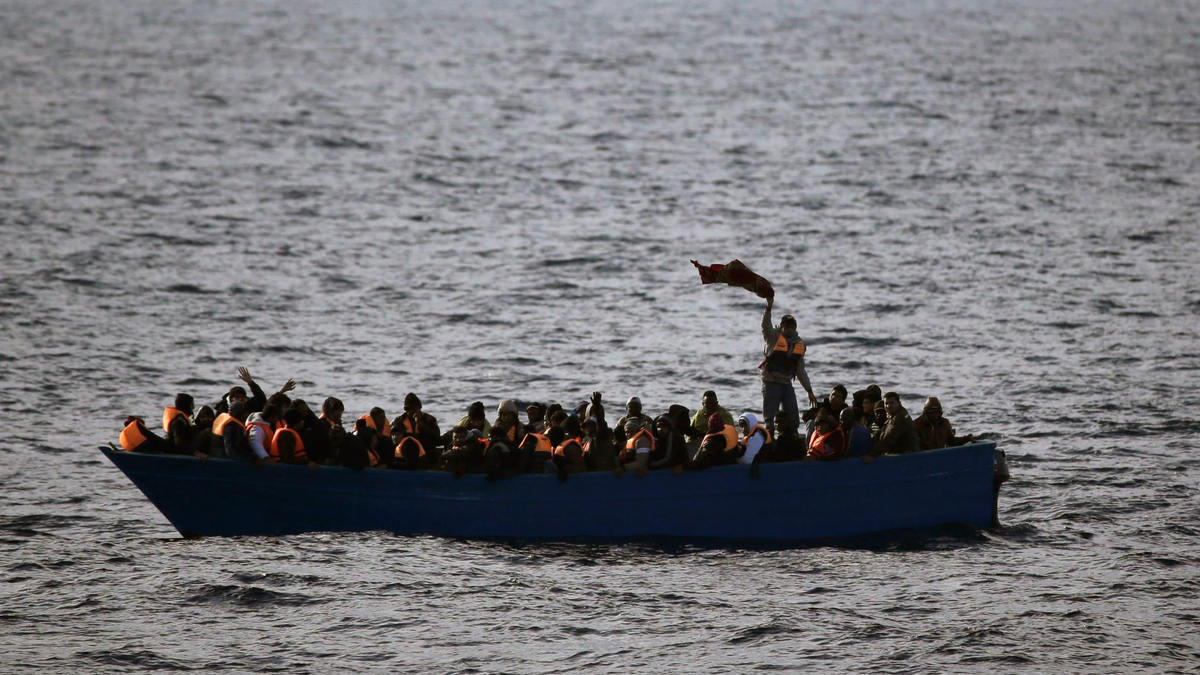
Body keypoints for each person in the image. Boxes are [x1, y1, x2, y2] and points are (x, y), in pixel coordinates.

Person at [760, 297, 818, 435]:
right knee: (770, 420)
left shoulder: (799, 345)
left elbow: (800, 370)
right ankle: (770, 443)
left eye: (792, 327)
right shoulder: (773, 337)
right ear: (782, 327)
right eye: (787, 327)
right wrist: (768, 308)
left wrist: (809, 390)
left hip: (786, 384)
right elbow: (765, 325)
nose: (790, 330)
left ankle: (793, 441)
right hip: (771, 382)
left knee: (793, 419)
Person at [866, 391, 919, 461]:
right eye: (886, 403)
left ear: (899, 403)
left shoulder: (900, 417)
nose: (888, 406)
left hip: (905, 456)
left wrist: (871, 454)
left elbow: (889, 438)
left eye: (892, 403)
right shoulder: (893, 415)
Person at [395, 393, 442, 465]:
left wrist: (421, 425)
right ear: (406, 409)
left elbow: (436, 436)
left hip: (427, 456)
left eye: (417, 408)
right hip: (406, 455)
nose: (415, 411)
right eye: (412, 409)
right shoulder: (399, 421)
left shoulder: (429, 419)